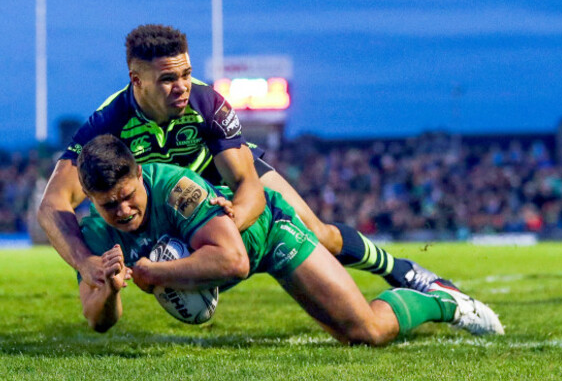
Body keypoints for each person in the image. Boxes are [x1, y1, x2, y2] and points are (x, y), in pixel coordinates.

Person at [38, 23, 443, 292]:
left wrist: (234, 217)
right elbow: (53, 204)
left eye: (185, 74)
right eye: (167, 79)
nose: (182, 87)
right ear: (136, 80)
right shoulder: (107, 123)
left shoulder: (208, 102)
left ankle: (401, 270)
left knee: (317, 232)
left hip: (217, 173)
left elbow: (248, 184)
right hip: (168, 196)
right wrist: (86, 262)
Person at [76, 134, 504, 343]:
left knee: (367, 332)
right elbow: (98, 320)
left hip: (271, 236)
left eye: (128, 197)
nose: (122, 212)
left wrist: (155, 271)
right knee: (353, 335)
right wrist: (112, 291)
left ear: (138, 175)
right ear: (91, 201)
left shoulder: (176, 189)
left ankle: (444, 301)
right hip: (227, 253)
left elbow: (233, 261)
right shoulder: (95, 231)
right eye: (108, 205)